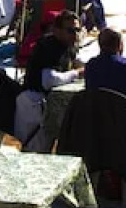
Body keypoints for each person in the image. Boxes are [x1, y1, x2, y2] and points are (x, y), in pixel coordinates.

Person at [15, 10, 82, 150]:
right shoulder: (48, 46)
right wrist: (76, 73)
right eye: (70, 30)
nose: (75, 34)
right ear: (56, 30)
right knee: (36, 154)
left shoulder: (68, 46)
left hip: (50, 103)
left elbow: (71, 64)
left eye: (77, 30)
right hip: (33, 103)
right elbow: (49, 80)